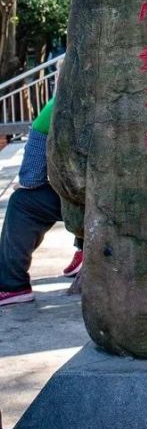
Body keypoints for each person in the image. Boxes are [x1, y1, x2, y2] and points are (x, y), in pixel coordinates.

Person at [0, 95, 82, 307]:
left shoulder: (59, 105)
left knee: (24, 202)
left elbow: (32, 179)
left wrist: (26, 183)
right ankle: (83, 251)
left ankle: (12, 285)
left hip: (96, 205)